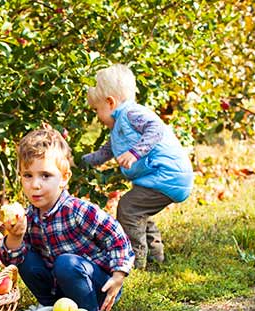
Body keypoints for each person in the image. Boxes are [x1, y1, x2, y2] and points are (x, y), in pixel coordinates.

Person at [0, 128, 134, 311]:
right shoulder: (28, 218)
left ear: (64, 178)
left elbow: (117, 237)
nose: (35, 185)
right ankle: (51, 309)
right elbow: (10, 261)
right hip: (60, 288)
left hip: (98, 286)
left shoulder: (78, 211)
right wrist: (15, 237)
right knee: (26, 259)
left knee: (65, 264)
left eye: (45, 175)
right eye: (28, 175)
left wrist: (118, 275)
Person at [82, 64, 194, 269]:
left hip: (166, 175)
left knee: (128, 208)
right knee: (139, 212)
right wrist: (77, 162)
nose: (97, 116)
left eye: (96, 109)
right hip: (161, 177)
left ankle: (134, 262)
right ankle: (155, 257)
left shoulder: (132, 113)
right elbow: (103, 154)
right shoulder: (118, 128)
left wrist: (134, 153)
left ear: (110, 102)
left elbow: (156, 128)